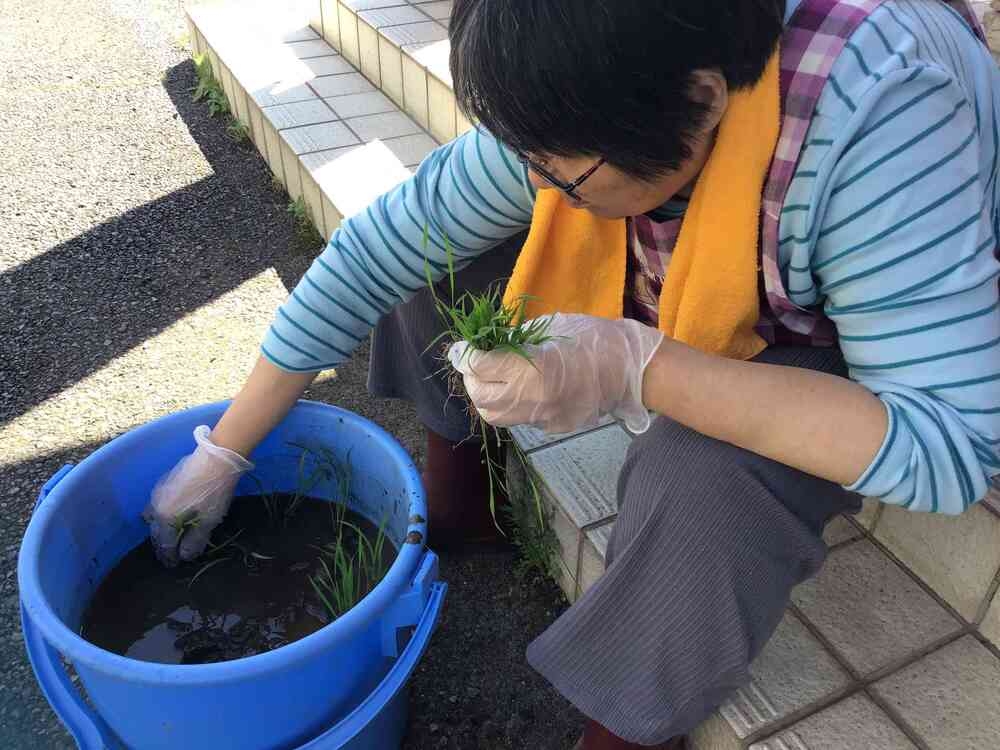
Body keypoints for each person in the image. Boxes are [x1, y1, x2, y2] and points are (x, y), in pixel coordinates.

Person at [145, 0, 1000, 747]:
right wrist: (224, 452)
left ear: (701, 101)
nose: (538, 183)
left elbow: (950, 447)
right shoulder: (611, 85)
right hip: (705, 195)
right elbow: (381, 249)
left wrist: (641, 367)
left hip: (862, 299)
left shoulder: (883, 112)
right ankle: (460, 502)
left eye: (562, 170)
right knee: (441, 262)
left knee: (704, 476)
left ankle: (629, 724)